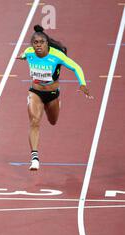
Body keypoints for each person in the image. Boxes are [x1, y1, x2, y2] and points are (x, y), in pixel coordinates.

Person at [17, 25, 93, 170]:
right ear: (32, 45)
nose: (38, 45)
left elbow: (76, 67)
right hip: (35, 92)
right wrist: (21, 56)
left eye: (41, 42)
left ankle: (57, 103)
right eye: (35, 43)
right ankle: (34, 157)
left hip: (52, 95)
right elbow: (24, 53)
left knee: (53, 121)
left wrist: (82, 84)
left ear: (47, 43)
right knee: (34, 121)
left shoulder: (57, 56)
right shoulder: (29, 52)